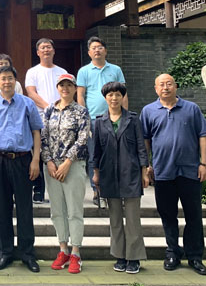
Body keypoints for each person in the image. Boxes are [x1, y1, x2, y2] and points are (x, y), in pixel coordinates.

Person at [140, 74, 206, 276]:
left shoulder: (191, 109)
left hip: (190, 171)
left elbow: (204, 135)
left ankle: (195, 256)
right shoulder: (148, 111)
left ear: (176, 86)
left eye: (169, 84)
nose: (165, 87)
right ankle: (173, 252)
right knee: (168, 216)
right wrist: (147, 166)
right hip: (163, 172)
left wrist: (204, 164)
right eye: (161, 85)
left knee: (194, 215)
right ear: (155, 89)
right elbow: (145, 140)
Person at [0, 65, 43, 273]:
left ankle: (27, 253)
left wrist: (36, 160)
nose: (7, 82)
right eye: (3, 78)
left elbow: (36, 132)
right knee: (3, 208)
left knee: (25, 208)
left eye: (10, 78)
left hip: (23, 160)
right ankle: (4, 252)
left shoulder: (27, 103)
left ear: (16, 81)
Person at [92, 82, 149, 275]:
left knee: (132, 219)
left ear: (122, 97)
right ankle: (120, 256)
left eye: (117, 94)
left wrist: (144, 172)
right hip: (108, 175)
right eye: (110, 95)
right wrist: (96, 173)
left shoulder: (133, 120)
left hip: (131, 173)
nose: (114, 98)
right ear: (105, 98)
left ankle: (134, 258)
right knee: (115, 218)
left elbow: (141, 147)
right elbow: (96, 151)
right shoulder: (99, 122)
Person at [41, 73, 90, 274]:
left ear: (74, 88)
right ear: (57, 88)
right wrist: (49, 162)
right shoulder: (49, 110)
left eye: (69, 85)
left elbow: (83, 138)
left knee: (74, 210)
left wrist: (68, 162)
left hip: (73, 165)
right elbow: (43, 137)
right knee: (57, 210)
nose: (65, 88)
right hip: (52, 167)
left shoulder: (81, 111)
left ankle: (76, 252)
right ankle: (63, 249)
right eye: (62, 85)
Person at [77, 36, 127, 207]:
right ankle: (96, 190)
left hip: (115, 118)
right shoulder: (84, 71)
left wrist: (124, 116)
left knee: (116, 154)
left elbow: (124, 94)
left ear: (105, 50)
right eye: (93, 48)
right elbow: (80, 95)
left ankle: (115, 189)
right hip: (93, 119)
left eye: (100, 47)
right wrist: (84, 118)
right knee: (94, 155)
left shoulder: (116, 69)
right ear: (89, 52)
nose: (97, 50)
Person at [25, 38, 67, 204]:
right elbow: (31, 93)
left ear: (53, 50)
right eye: (42, 48)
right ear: (38, 52)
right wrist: (49, 107)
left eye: (48, 47)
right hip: (40, 116)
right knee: (40, 152)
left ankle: (60, 190)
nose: (46, 50)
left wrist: (58, 109)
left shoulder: (62, 71)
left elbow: (66, 92)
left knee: (59, 152)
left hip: (61, 116)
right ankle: (38, 190)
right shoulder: (32, 72)